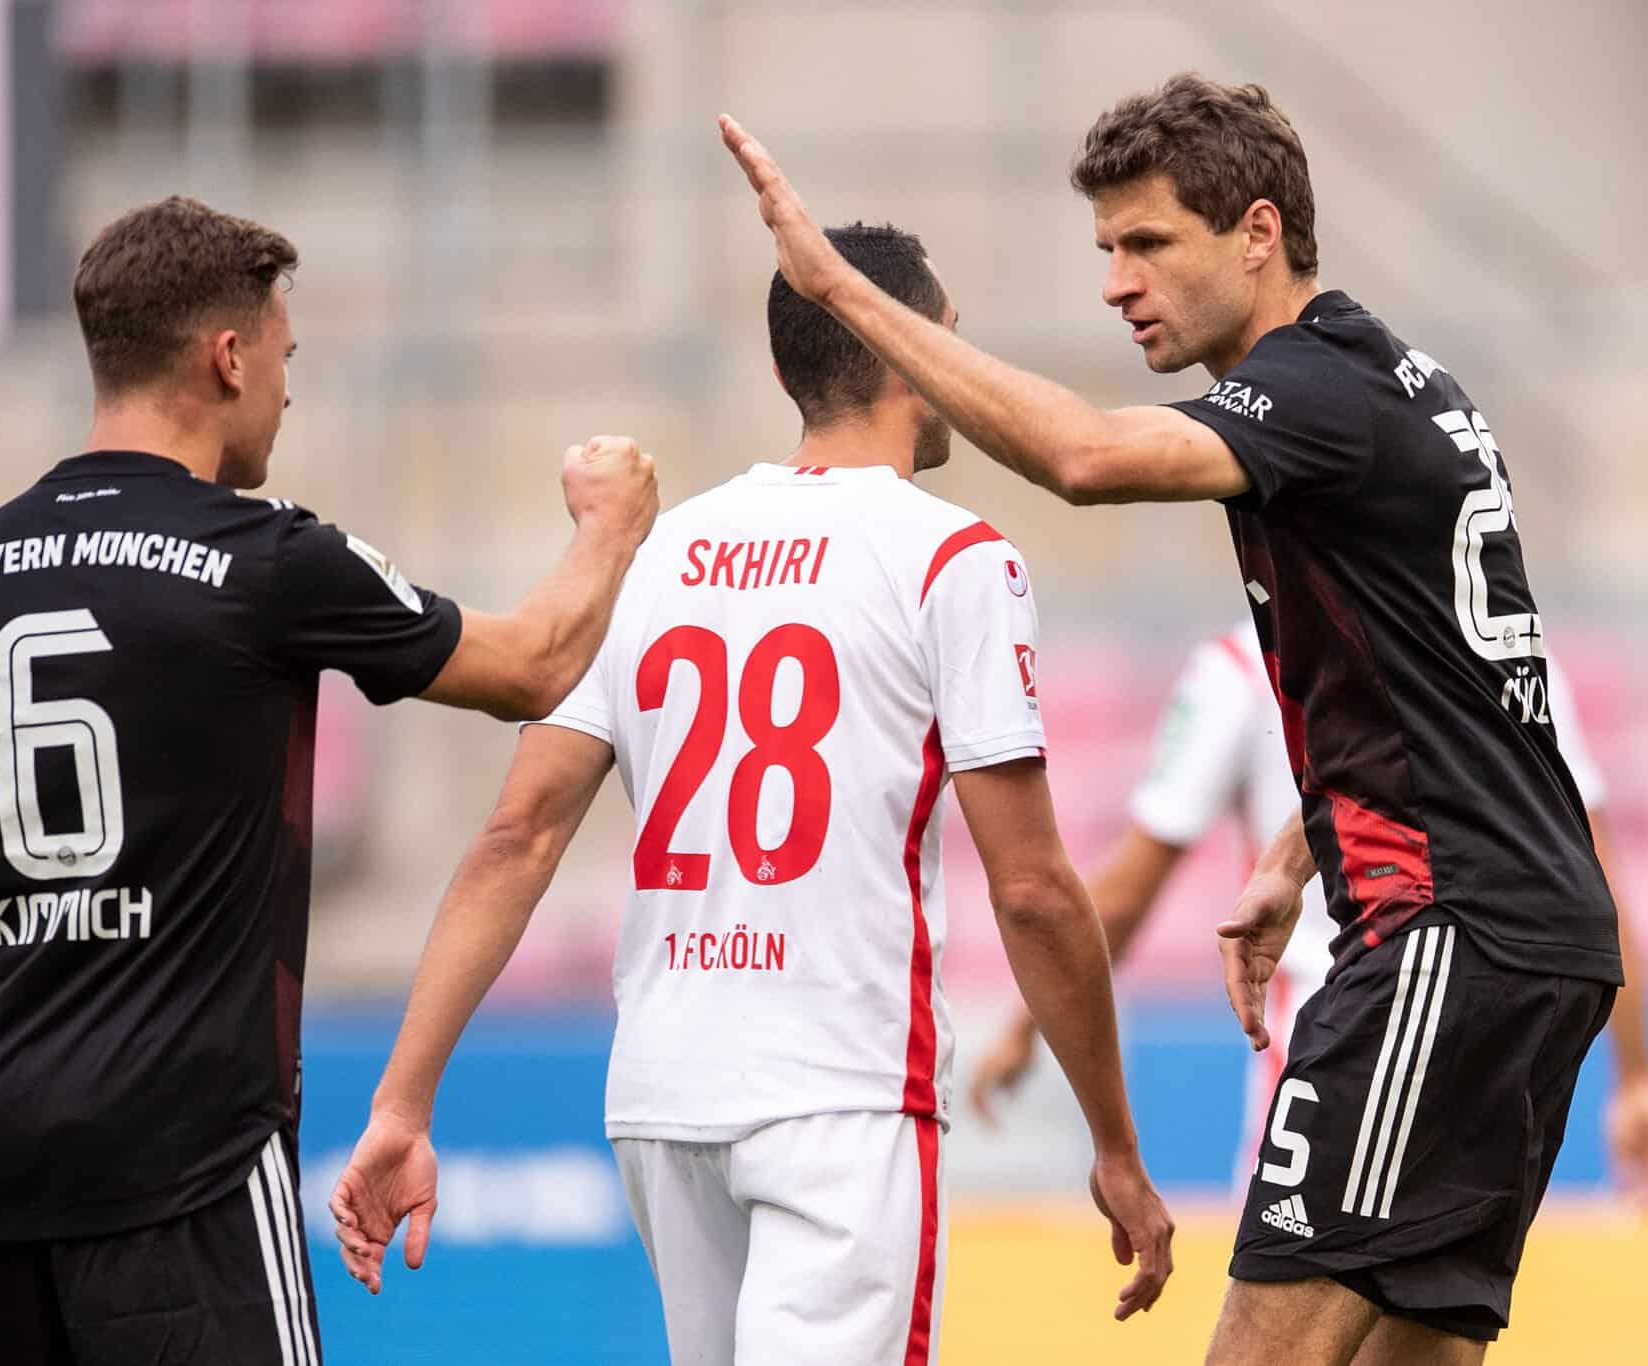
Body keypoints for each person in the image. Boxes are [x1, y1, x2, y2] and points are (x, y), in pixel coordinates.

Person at [722, 75, 1623, 1362]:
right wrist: (1301, 845)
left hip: (1444, 934)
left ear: (1256, 233)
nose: (1114, 281)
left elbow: (1086, 458)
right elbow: (1450, 678)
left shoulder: (1313, 392)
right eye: (1105, 249)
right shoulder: (1390, 384)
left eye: (1146, 243)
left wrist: (844, 295)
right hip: (1511, 932)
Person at [325, 223, 1173, 1364]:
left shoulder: (660, 553)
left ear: (783, 374)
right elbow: (1029, 888)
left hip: (666, 1096)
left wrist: (401, 1103)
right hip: (841, 1088)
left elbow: (515, 835)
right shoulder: (952, 557)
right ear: (911, 347)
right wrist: (1114, 1145)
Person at [0, 195, 657, 1366]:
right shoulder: (264, 555)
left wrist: (69, 957)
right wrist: (608, 529)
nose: (290, 392)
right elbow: (535, 666)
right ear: (227, 356)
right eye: (286, 358)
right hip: (181, 1165)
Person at [968, 622, 1648, 1208]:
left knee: (1281, 1331)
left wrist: (1027, 1027)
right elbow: (1589, 875)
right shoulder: (1505, 650)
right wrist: (1637, 1076)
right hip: (1472, 1052)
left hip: (1322, 1056)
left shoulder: (1243, 670)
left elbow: (1130, 888)